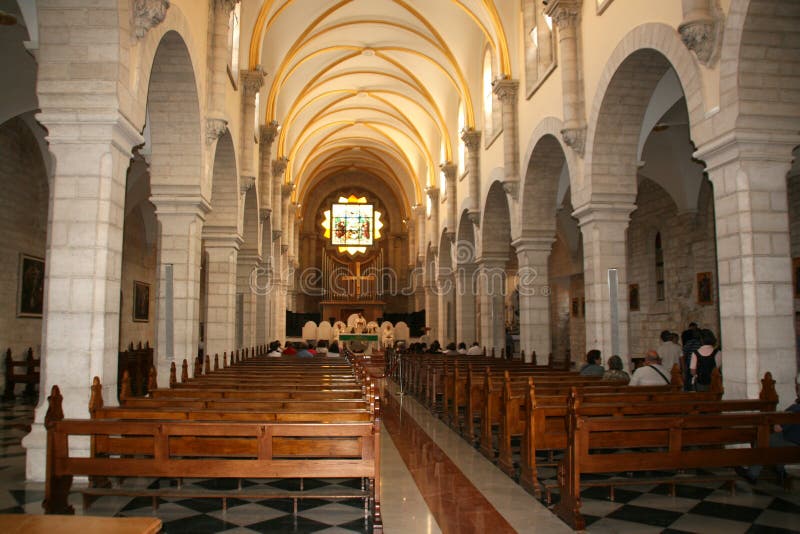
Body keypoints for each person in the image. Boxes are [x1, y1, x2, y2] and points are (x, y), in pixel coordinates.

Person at [735, 375, 800, 485]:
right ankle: (780, 471)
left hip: (793, 443)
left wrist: (779, 420)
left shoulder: (796, 409)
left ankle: (752, 474)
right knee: (775, 439)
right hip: (793, 440)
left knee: (763, 440)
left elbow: (778, 427)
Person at [681, 322, 702, 390]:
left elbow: (684, 352)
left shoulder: (690, 342)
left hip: (690, 362)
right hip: (697, 363)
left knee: (689, 379)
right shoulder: (699, 343)